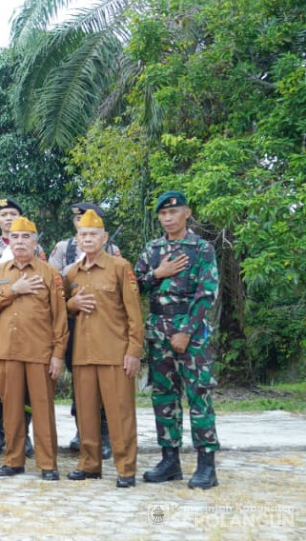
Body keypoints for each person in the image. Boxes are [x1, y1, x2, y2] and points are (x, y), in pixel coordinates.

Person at [134, 190, 220, 490]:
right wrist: (158, 273)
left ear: (187, 213)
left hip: (190, 336)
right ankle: (170, 460)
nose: (168, 218)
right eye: (163, 214)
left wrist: (186, 331)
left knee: (199, 396)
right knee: (164, 398)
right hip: (158, 335)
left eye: (173, 212)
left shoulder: (201, 249)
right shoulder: (152, 249)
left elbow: (206, 294)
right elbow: (135, 286)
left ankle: (206, 465)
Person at [0, 216, 68, 481]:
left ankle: (47, 463)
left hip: (39, 353)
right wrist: (15, 290)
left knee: (42, 409)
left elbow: (60, 318)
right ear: (9, 241)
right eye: (16, 237)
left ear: (35, 241)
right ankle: (13, 460)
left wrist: (57, 355)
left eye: (26, 237)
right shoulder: (0, 272)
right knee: (11, 409)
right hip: (8, 352)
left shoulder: (49, 273)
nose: (20, 242)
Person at [63, 210, 143, 488]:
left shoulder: (120, 267)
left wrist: (134, 351)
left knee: (120, 414)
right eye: (83, 234)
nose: (88, 239)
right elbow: (60, 308)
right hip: (83, 354)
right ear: (77, 239)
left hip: (115, 353)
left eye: (93, 234)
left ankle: (125, 468)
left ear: (104, 237)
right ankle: (89, 464)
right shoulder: (71, 273)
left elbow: (135, 314)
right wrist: (72, 305)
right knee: (85, 414)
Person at [50, 201, 121, 456]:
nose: (83, 225)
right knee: (81, 382)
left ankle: (105, 435)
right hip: (74, 324)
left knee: (104, 384)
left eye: (89, 221)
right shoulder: (63, 248)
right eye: (78, 221)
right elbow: (53, 281)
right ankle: (83, 431)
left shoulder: (113, 251)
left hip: (104, 325)